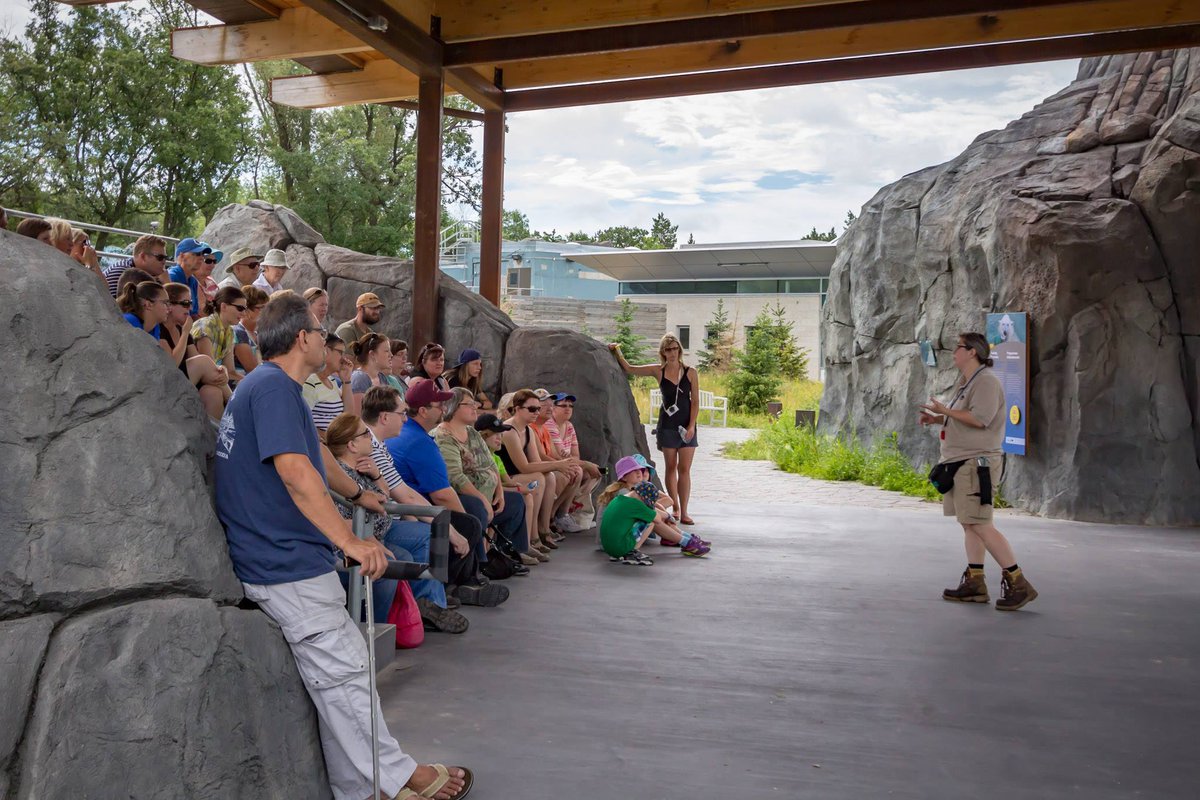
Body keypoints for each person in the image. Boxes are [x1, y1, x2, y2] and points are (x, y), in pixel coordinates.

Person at [212, 292, 473, 800]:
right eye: (317, 326)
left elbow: (313, 455)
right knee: (345, 673)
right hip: (282, 561)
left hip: (287, 555)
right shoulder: (271, 389)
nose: (326, 338)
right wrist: (349, 540)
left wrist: (359, 494)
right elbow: (293, 473)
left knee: (343, 671)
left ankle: (361, 787)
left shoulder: (279, 390)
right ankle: (400, 778)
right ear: (300, 337)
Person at [920, 332, 1038, 611]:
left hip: (976, 463)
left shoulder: (985, 382)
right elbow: (964, 417)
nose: (954, 353)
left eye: (958, 348)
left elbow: (980, 419)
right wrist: (937, 418)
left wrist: (945, 412)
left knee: (980, 522)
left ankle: (1018, 582)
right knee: (969, 522)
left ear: (972, 351)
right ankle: (975, 581)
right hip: (960, 461)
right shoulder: (968, 382)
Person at [324, 412, 469, 635]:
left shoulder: (364, 465)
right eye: (365, 435)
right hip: (366, 535)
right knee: (399, 560)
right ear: (352, 445)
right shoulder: (341, 476)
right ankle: (381, 626)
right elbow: (347, 518)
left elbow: (382, 498)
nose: (370, 439)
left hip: (383, 527)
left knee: (427, 535)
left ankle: (427, 605)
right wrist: (370, 541)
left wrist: (376, 474)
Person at [385, 378, 509, 608]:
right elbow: (442, 494)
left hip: (413, 505)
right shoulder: (421, 442)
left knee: (471, 517)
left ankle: (463, 583)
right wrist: (464, 527)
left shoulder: (408, 434)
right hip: (413, 508)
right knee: (469, 524)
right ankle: (452, 586)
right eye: (438, 405)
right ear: (422, 411)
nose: (444, 408)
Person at [361, 385, 483, 610]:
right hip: (375, 526)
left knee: (426, 534)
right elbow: (406, 496)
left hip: (387, 519)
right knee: (434, 533)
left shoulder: (379, 444)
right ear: (385, 417)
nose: (406, 420)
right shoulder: (371, 447)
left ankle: (430, 603)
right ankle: (432, 605)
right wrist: (452, 532)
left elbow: (404, 494)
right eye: (402, 414)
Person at [435, 388, 532, 570]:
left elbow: (491, 464)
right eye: (469, 404)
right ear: (454, 407)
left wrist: (500, 492)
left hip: (487, 496)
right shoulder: (443, 436)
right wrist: (482, 499)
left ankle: (506, 553)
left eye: (475, 403)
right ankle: (480, 565)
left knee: (517, 501)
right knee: (477, 508)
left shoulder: (472, 432)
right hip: (461, 499)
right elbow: (455, 477)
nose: (475, 407)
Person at [610, 333, 699, 525]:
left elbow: (695, 403)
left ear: (680, 350)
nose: (672, 353)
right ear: (663, 352)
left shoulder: (691, 372)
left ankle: (684, 511)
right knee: (670, 467)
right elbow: (630, 369)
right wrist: (617, 351)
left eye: (675, 348)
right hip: (667, 425)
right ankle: (674, 507)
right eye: (668, 349)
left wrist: (691, 426)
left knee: (684, 469)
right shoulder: (659, 371)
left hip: (686, 426)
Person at [499, 389, 578, 553]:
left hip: (518, 475)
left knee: (547, 476)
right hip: (505, 478)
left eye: (537, 408)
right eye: (532, 409)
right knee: (540, 477)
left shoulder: (528, 430)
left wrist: (560, 464)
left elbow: (536, 461)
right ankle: (531, 537)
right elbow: (524, 467)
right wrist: (558, 464)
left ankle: (541, 530)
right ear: (518, 409)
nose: (537, 412)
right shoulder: (509, 430)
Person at [598, 456, 710, 566]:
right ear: (624, 477)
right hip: (616, 542)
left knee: (652, 515)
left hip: (610, 542)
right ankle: (686, 542)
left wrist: (664, 514)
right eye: (634, 471)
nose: (640, 473)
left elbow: (661, 504)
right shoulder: (625, 495)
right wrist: (666, 516)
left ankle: (685, 539)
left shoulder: (627, 495)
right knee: (651, 521)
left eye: (641, 470)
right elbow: (656, 516)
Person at [475, 413, 542, 565]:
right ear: (482, 436)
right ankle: (508, 548)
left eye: (501, 434)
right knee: (518, 499)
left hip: (495, 500)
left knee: (524, 496)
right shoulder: (478, 457)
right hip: (484, 502)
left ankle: (516, 547)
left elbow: (507, 482)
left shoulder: (496, 458)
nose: (500, 438)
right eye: (495, 435)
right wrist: (518, 490)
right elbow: (487, 489)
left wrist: (519, 487)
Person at [161, 282, 232, 420]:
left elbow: (197, 359)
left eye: (191, 303)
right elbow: (171, 364)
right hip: (167, 384)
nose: (191, 308)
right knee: (204, 361)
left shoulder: (181, 330)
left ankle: (216, 437)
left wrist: (221, 370)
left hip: (186, 380)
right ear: (169, 305)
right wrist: (185, 333)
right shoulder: (160, 330)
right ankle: (237, 405)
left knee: (213, 392)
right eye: (186, 303)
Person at [529, 389, 583, 534]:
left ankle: (553, 517)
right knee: (554, 476)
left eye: (551, 403)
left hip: (544, 467)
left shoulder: (545, 428)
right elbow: (538, 458)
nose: (549, 407)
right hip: (534, 471)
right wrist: (561, 465)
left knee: (576, 471)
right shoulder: (534, 427)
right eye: (543, 404)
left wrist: (564, 463)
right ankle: (544, 525)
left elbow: (556, 454)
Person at [548, 392, 603, 529]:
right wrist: (585, 464)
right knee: (577, 471)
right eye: (563, 405)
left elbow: (575, 455)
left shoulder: (569, 426)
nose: (568, 408)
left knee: (593, 473)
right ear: (553, 408)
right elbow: (559, 457)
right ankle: (557, 514)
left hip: (567, 464)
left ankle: (573, 511)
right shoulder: (550, 425)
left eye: (570, 406)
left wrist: (585, 465)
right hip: (553, 465)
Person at [303, 333, 354, 435]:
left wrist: (346, 380)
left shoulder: (332, 381)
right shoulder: (310, 382)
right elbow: (302, 422)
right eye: (340, 352)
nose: (344, 359)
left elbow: (348, 416)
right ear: (325, 350)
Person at [194, 286, 246, 385]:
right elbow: (209, 371)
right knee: (214, 393)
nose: (244, 314)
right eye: (240, 308)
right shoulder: (206, 327)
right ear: (224, 306)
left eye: (245, 309)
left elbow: (230, 371)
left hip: (215, 378)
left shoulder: (230, 332)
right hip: (199, 381)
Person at [168, 238, 223, 317]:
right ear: (182, 256)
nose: (201, 258)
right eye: (196, 254)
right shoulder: (172, 277)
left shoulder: (193, 281)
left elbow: (194, 313)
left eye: (202, 254)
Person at [102, 234, 168, 297]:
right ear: (143, 257)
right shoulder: (121, 273)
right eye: (160, 257)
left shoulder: (156, 276)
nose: (164, 262)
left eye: (165, 258)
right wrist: (166, 285)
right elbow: (117, 306)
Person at [348, 332, 393, 416]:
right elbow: (357, 418)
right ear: (372, 354)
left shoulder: (381, 377)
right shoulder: (359, 379)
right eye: (387, 351)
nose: (391, 355)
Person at [233, 286, 268, 376]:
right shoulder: (239, 332)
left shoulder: (259, 332)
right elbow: (251, 368)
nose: (266, 311)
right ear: (247, 309)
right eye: (261, 308)